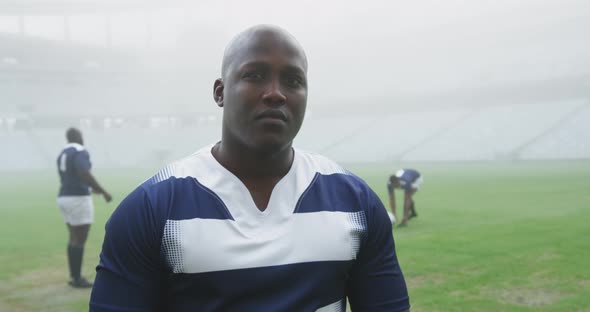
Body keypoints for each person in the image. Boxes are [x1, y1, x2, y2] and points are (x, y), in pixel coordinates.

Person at [90, 25, 410, 311]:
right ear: (220, 92)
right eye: (254, 75)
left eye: (293, 80)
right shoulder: (152, 209)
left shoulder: (356, 203)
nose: (275, 93)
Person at [57, 127, 112, 288]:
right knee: (80, 238)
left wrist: (88, 188)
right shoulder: (80, 151)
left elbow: (70, 177)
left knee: (73, 237)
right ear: (79, 137)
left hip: (64, 197)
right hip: (78, 199)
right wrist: (103, 191)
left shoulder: (63, 153)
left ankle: (74, 276)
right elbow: (84, 173)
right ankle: (77, 279)